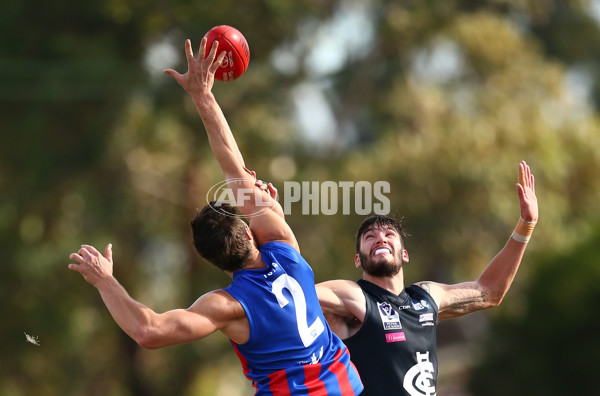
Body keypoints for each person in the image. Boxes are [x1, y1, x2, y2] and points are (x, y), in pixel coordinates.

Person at [68, 38, 363, 396]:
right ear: (250, 232)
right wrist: (203, 95)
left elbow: (148, 331)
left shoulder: (228, 305)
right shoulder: (284, 246)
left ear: (210, 260)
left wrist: (104, 281)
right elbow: (232, 167)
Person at [316, 161, 538, 396]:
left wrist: (526, 225)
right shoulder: (352, 296)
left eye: (389, 234)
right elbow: (294, 291)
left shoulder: (425, 298)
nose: (380, 239)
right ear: (358, 260)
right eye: (370, 236)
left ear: (404, 254)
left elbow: (489, 291)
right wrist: (272, 220)